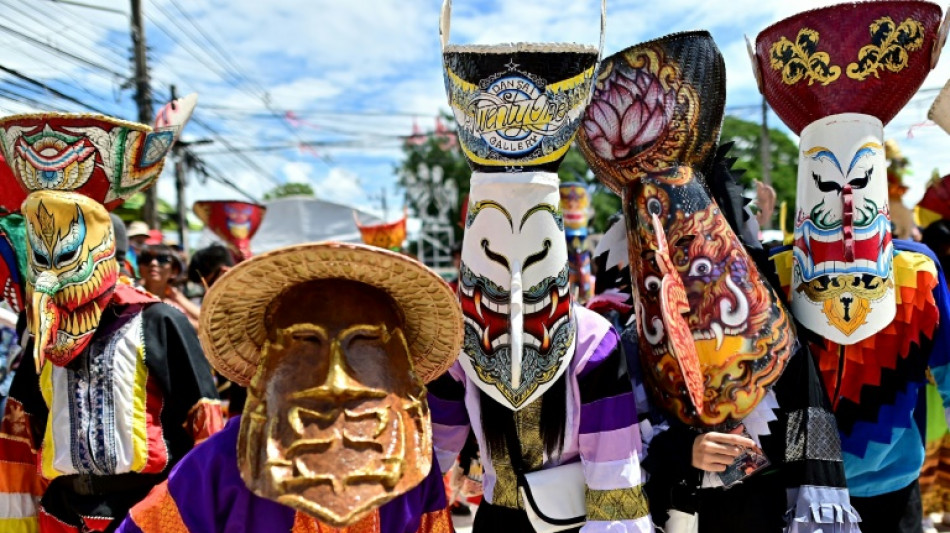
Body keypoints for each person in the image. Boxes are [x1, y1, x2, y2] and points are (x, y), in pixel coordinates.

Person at [577, 30, 858, 531]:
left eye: (695, 256)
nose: (679, 276)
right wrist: (687, 450)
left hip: (764, 513)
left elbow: (807, 434)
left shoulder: (778, 340)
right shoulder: (630, 344)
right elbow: (624, 447)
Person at [429, 6, 652, 531]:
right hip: (497, 521)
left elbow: (613, 470)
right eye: (490, 252)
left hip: (572, 523)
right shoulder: (459, 346)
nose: (511, 279)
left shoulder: (593, 342)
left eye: (532, 252)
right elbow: (433, 451)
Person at [751, 3, 950, 531]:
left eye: (859, 182)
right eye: (825, 183)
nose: (843, 204)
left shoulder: (921, 272)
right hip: (796, 483)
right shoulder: (774, 271)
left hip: (893, 485)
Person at [118, 242, 462, 533]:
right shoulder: (222, 462)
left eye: (363, 348)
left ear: (395, 363)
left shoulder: (413, 460)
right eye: (307, 346)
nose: (336, 382)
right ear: (271, 363)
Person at [0, 95, 224, 532]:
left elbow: (205, 433)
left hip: (148, 515)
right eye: (40, 258)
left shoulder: (158, 321)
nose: (49, 278)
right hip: (60, 515)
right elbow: (21, 432)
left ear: (104, 248)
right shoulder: (43, 327)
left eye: (65, 254)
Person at [138, 243, 201, 330]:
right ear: (139, 267)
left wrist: (179, 298)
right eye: (146, 259)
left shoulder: (175, 304)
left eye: (162, 259)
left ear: (174, 271)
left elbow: (206, 323)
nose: (153, 263)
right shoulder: (130, 298)